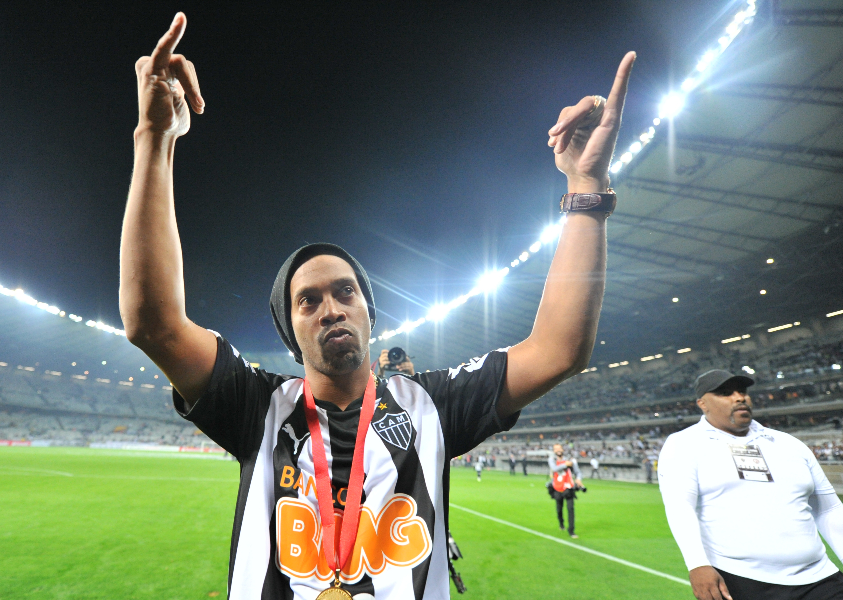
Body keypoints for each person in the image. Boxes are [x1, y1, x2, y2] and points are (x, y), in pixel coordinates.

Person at [119, 11, 636, 598]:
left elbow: (559, 350)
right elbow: (152, 324)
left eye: (346, 292)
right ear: (291, 333)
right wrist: (154, 138)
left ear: (370, 312)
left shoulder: (432, 405)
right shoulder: (256, 406)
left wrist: (584, 189)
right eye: (306, 301)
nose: (331, 308)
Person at [658, 369, 843, 600]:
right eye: (725, 393)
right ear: (702, 403)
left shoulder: (789, 444)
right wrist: (697, 564)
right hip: (740, 580)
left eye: (742, 391)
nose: (739, 397)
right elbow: (679, 507)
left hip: (820, 578)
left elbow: (829, 509)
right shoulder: (684, 444)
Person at [548, 443, 584, 538]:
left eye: (559, 448)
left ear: (563, 449)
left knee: (570, 508)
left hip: (568, 487)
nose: (558, 450)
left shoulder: (571, 460)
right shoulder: (552, 460)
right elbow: (554, 468)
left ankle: (571, 530)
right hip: (557, 487)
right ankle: (561, 524)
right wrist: (565, 464)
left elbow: (578, 472)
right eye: (556, 449)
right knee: (559, 508)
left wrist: (579, 478)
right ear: (554, 451)